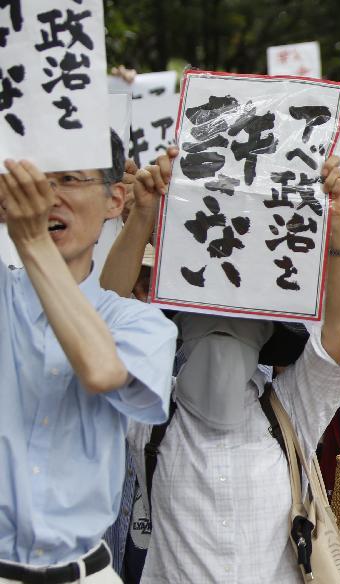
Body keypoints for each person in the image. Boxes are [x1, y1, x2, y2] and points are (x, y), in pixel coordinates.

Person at [102, 149, 340, 582]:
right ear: (177, 321)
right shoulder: (148, 413)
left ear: (267, 332)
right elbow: (105, 325)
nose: (224, 327)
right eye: (205, 309)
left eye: (242, 317)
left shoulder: (290, 409)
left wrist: (336, 225)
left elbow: (339, 333)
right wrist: (142, 217)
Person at [0, 132, 177, 583]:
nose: (47, 197)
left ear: (115, 199)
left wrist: (33, 241)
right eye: (35, 180)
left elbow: (102, 370)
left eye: (68, 179)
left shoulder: (140, 323)